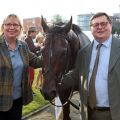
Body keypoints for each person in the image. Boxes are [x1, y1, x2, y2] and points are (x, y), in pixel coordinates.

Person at [60, 12, 120, 120]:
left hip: (115, 113)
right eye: (96, 25)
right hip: (88, 113)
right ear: (91, 28)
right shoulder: (83, 52)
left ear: (110, 25)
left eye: (103, 24)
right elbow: (76, 75)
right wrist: (55, 82)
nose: (100, 27)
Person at [0, 13, 42, 120]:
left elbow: (37, 61)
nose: (12, 27)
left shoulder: (23, 46)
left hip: (17, 100)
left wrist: (52, 50)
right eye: (8, 24)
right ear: (3, 27)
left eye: (15, 24)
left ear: (20, 28)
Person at [25, 27, 41, 95]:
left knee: (31, 77)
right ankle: (29, 91)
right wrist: (40, 47)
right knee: (30, 77)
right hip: (29, 62)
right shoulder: (27, 39)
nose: (36, 34)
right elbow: (31, 50)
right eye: (35, 32)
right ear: (31, 32)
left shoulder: (29, 39)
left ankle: (30, 90)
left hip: (30, 61)